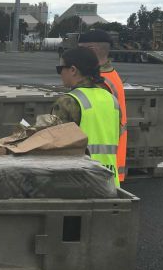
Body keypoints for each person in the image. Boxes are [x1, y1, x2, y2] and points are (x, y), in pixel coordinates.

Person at [51, 46, 121, 187]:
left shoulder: (68, 101)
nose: (60, 74)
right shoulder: (110, 99)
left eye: (60, 69)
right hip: (110, 180)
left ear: (73, 70)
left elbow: (55, 146)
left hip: (80, 182)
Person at [78, 30, 128, 183]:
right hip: (108, 161)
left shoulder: (100, 83)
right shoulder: (111, 75)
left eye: (80, 49)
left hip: (97, 165)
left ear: (92, 50)